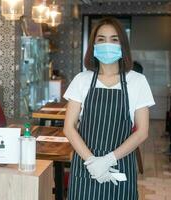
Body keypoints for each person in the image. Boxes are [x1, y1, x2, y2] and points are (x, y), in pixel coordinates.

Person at [63, 17, 155, 200]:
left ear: (123, 44)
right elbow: (69, 128)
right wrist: (92, 162)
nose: (108, 44)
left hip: (120, 165)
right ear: (93, 45)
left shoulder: (137, 81)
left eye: (114, 39)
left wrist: (107, 160)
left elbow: (142, 132)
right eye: (101, 39)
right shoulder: (82, 80)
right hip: (85, 168)